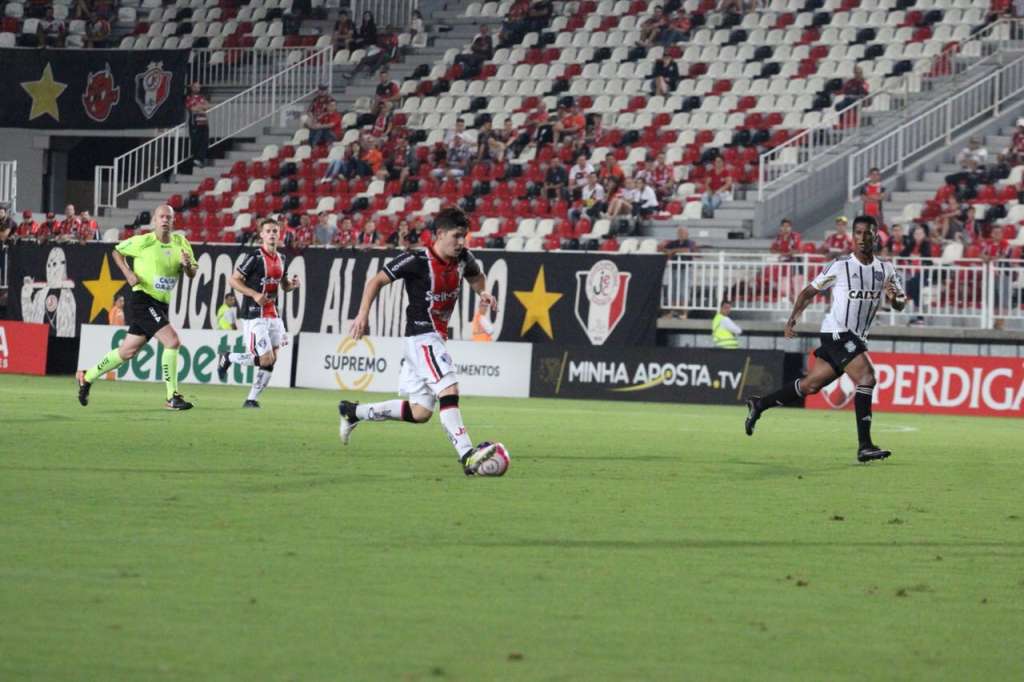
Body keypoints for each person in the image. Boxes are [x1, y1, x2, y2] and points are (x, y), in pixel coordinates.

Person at [337, 207, 501, 476]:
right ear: (439, 234)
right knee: (449, 389)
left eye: (464, 237)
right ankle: (467, 455)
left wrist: (483, 292)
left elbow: (476, 276)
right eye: (456, 236)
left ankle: (353, 412)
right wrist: (362, 314)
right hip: (422, 337)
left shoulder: (464, 259)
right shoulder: (416, 260)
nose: (461, 242)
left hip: (433, 339)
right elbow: (377, 281)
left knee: (420, 412)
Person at [744, 215, 907, 463]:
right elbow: (808, 292)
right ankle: (865, 446)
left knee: (811, 386)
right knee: (867, 377)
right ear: (853, 236)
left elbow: (900, 304)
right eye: (858, 233)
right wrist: (792, 318)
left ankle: (760, 404)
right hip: (837, 332)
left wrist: (895, 298)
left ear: (876, 236)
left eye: (868, 233)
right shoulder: (840, 266)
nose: (863, 238)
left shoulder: (885, 269)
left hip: (855, 337)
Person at [76, 205, 197, 410]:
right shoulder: (143, 241)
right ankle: (172, 397)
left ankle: (86, 377)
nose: (165, 220)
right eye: (161, 217)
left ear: (174, 221)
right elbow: (117, 252)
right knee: (172, 341)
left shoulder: (181, 242)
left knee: (126, 352)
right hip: (143, 299)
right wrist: (128, 273)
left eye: (169, 217)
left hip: (161, 303)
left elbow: (192, 272)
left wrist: (186, 265)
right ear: (154, 221)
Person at [216, 219, 300, 407]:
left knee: (271, 360)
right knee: (266, 358)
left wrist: (292, 286)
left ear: (280, 235)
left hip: (274, 315)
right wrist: (254, 294)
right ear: (261, 235)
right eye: (268, 231)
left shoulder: (282, 258)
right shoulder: (254, 257)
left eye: (275, 231)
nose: (272, 234)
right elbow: (234, 280)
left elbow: (283, 285)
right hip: (255, 315)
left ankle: (251, 399)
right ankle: (228, 357)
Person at [186, 82, 211, 168]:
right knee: (196, 140)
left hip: (204, 121)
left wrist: (199, 106)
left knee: (205, 141)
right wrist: (201, 106)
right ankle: (196, 158)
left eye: (199, 87)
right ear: (192, 88)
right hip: (195, 121)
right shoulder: (189, 97)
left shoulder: (201, 97)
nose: (197, 88)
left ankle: (200, 159)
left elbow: (208, 106)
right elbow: (192, 108)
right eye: (195, 87)